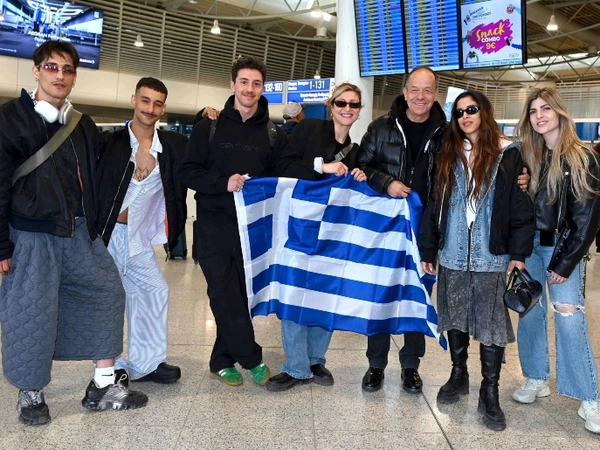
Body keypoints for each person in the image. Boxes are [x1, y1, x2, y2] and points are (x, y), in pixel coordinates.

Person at [0, 41, 147, 426]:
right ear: (36, 71)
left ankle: (104, 387)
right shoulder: (10, 119)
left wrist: (140, 143)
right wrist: (1, 245)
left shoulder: (81, 124)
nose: (60, 75)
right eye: (51, 67)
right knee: (32, 312)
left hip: (79, 232)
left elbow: (101, 168)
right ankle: (31, 393)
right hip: (32, 235)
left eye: (67, 69)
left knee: (107, 292)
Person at [420, 90, 534, 431]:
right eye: (459, 113)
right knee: (454, 317)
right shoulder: (447, 153)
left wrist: (518, 254)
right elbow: (434, 204)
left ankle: (490, 390)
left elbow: (520, 208)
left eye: (471, 109)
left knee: (491, 325)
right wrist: (428, 249)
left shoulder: (507, 154)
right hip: (452, 252)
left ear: (484, 111)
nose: (465, 116)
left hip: (491, 254)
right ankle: (459, 374)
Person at [179, 56, 287, 387]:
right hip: (212, 226)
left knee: (238, 297)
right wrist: (221, 182)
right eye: (244, 82)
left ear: (262, 88)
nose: (249, 89)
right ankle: (251, 357)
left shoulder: (273, 133)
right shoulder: (208, 128)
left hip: (251, 231)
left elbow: (281, 179)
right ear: (232, 85)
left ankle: (221, 360)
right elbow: (188, 172)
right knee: (222, 292)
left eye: (256, 83)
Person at [268, 83, 367, 391]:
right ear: (330, 105)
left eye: (353, 104)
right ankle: (296, 366)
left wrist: (361, 178)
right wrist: (322, 166)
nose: (347, 108)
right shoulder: (309, 129)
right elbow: (282, 165)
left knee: (326, 296)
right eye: (341, 103)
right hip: (299, 230)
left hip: (333, 235)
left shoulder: (357, 152)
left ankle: (315, 360)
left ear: (359, 110)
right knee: (295, 294)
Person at [513, 87, 600, 434]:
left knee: (568, 317)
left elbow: (587, 218)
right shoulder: (529, 156)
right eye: (534, 111)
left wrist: (565, 263)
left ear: (560, 112)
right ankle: (536, 377)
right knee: (530, 311)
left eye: (546, 108)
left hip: (561, 248)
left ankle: (588, 397)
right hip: (529, 247)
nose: (539, 116)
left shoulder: (583, 157)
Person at [356, 66, 446, 394]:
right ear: (405, 92)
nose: (421, 96)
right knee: (380, 294)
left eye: (427, 90)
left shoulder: (447, 133)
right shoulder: (381, 127)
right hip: (385, 228)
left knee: (417, 295)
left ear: (435, 94)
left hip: (426, 229)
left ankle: (411, 366)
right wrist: (387, 183)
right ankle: (376, 364)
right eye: (415, 89)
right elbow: (362, 166)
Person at [95, 77, 188, 385]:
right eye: (145, 100)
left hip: (138, 238)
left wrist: (208, 117)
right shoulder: (111, 143)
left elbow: (203, 155)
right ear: (134, 100)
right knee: (108, 300)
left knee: (154, 290)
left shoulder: (170, 147)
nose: (150, 108)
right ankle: (108, 367)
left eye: (157, 103)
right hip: (108, 236)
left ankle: (147, 364)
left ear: (163, 108)